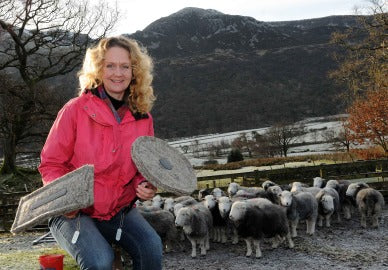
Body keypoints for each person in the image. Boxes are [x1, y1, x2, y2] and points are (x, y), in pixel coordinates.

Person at [38, 36, 163, 269]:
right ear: (98, 69)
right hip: (74, 213)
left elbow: (143, 166)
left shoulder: (143, 118)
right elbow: (51, 164)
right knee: (100, 261)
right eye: (110, 66)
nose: (118, 73)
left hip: (117, 210)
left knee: (152, 247)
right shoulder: (75, 110)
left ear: (135, 71)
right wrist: (67, 201)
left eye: (125, 66)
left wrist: (143, 183)